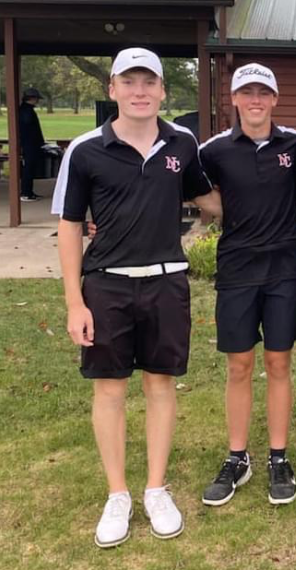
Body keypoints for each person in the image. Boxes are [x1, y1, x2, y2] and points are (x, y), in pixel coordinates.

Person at [52, 47, 217, 548]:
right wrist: (74, 304)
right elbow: (69, 227)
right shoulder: (85, 150)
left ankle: (155, 488)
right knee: (110, 389)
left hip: (166, 282)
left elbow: (206, 199)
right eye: (129, 82)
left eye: (149, 82)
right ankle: (118, 494)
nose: (140, 91)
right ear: (113, 89)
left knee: (161, 385)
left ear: (164, 90)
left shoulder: (182, 143)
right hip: (106, 285)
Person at [198, 63, 296, 507]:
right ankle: (237, 457)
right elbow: (191, 184)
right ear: (234, 99)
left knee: (279, 363)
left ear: (275, 98)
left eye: (264, 92)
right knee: (239, 365)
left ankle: (278, 457)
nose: (256, 100)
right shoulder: (215, 150)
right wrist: (228, 212)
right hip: (237, 270)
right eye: (247, 92)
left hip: (284, 267)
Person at [20, 87, 46, 201]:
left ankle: (28, 192)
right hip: (29, 144)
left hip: (30, 143)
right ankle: (26, 193)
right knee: (29, 168)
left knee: (30, 168)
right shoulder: (27, 111)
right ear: (31, 98)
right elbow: (28, 127)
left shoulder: (26, 110)